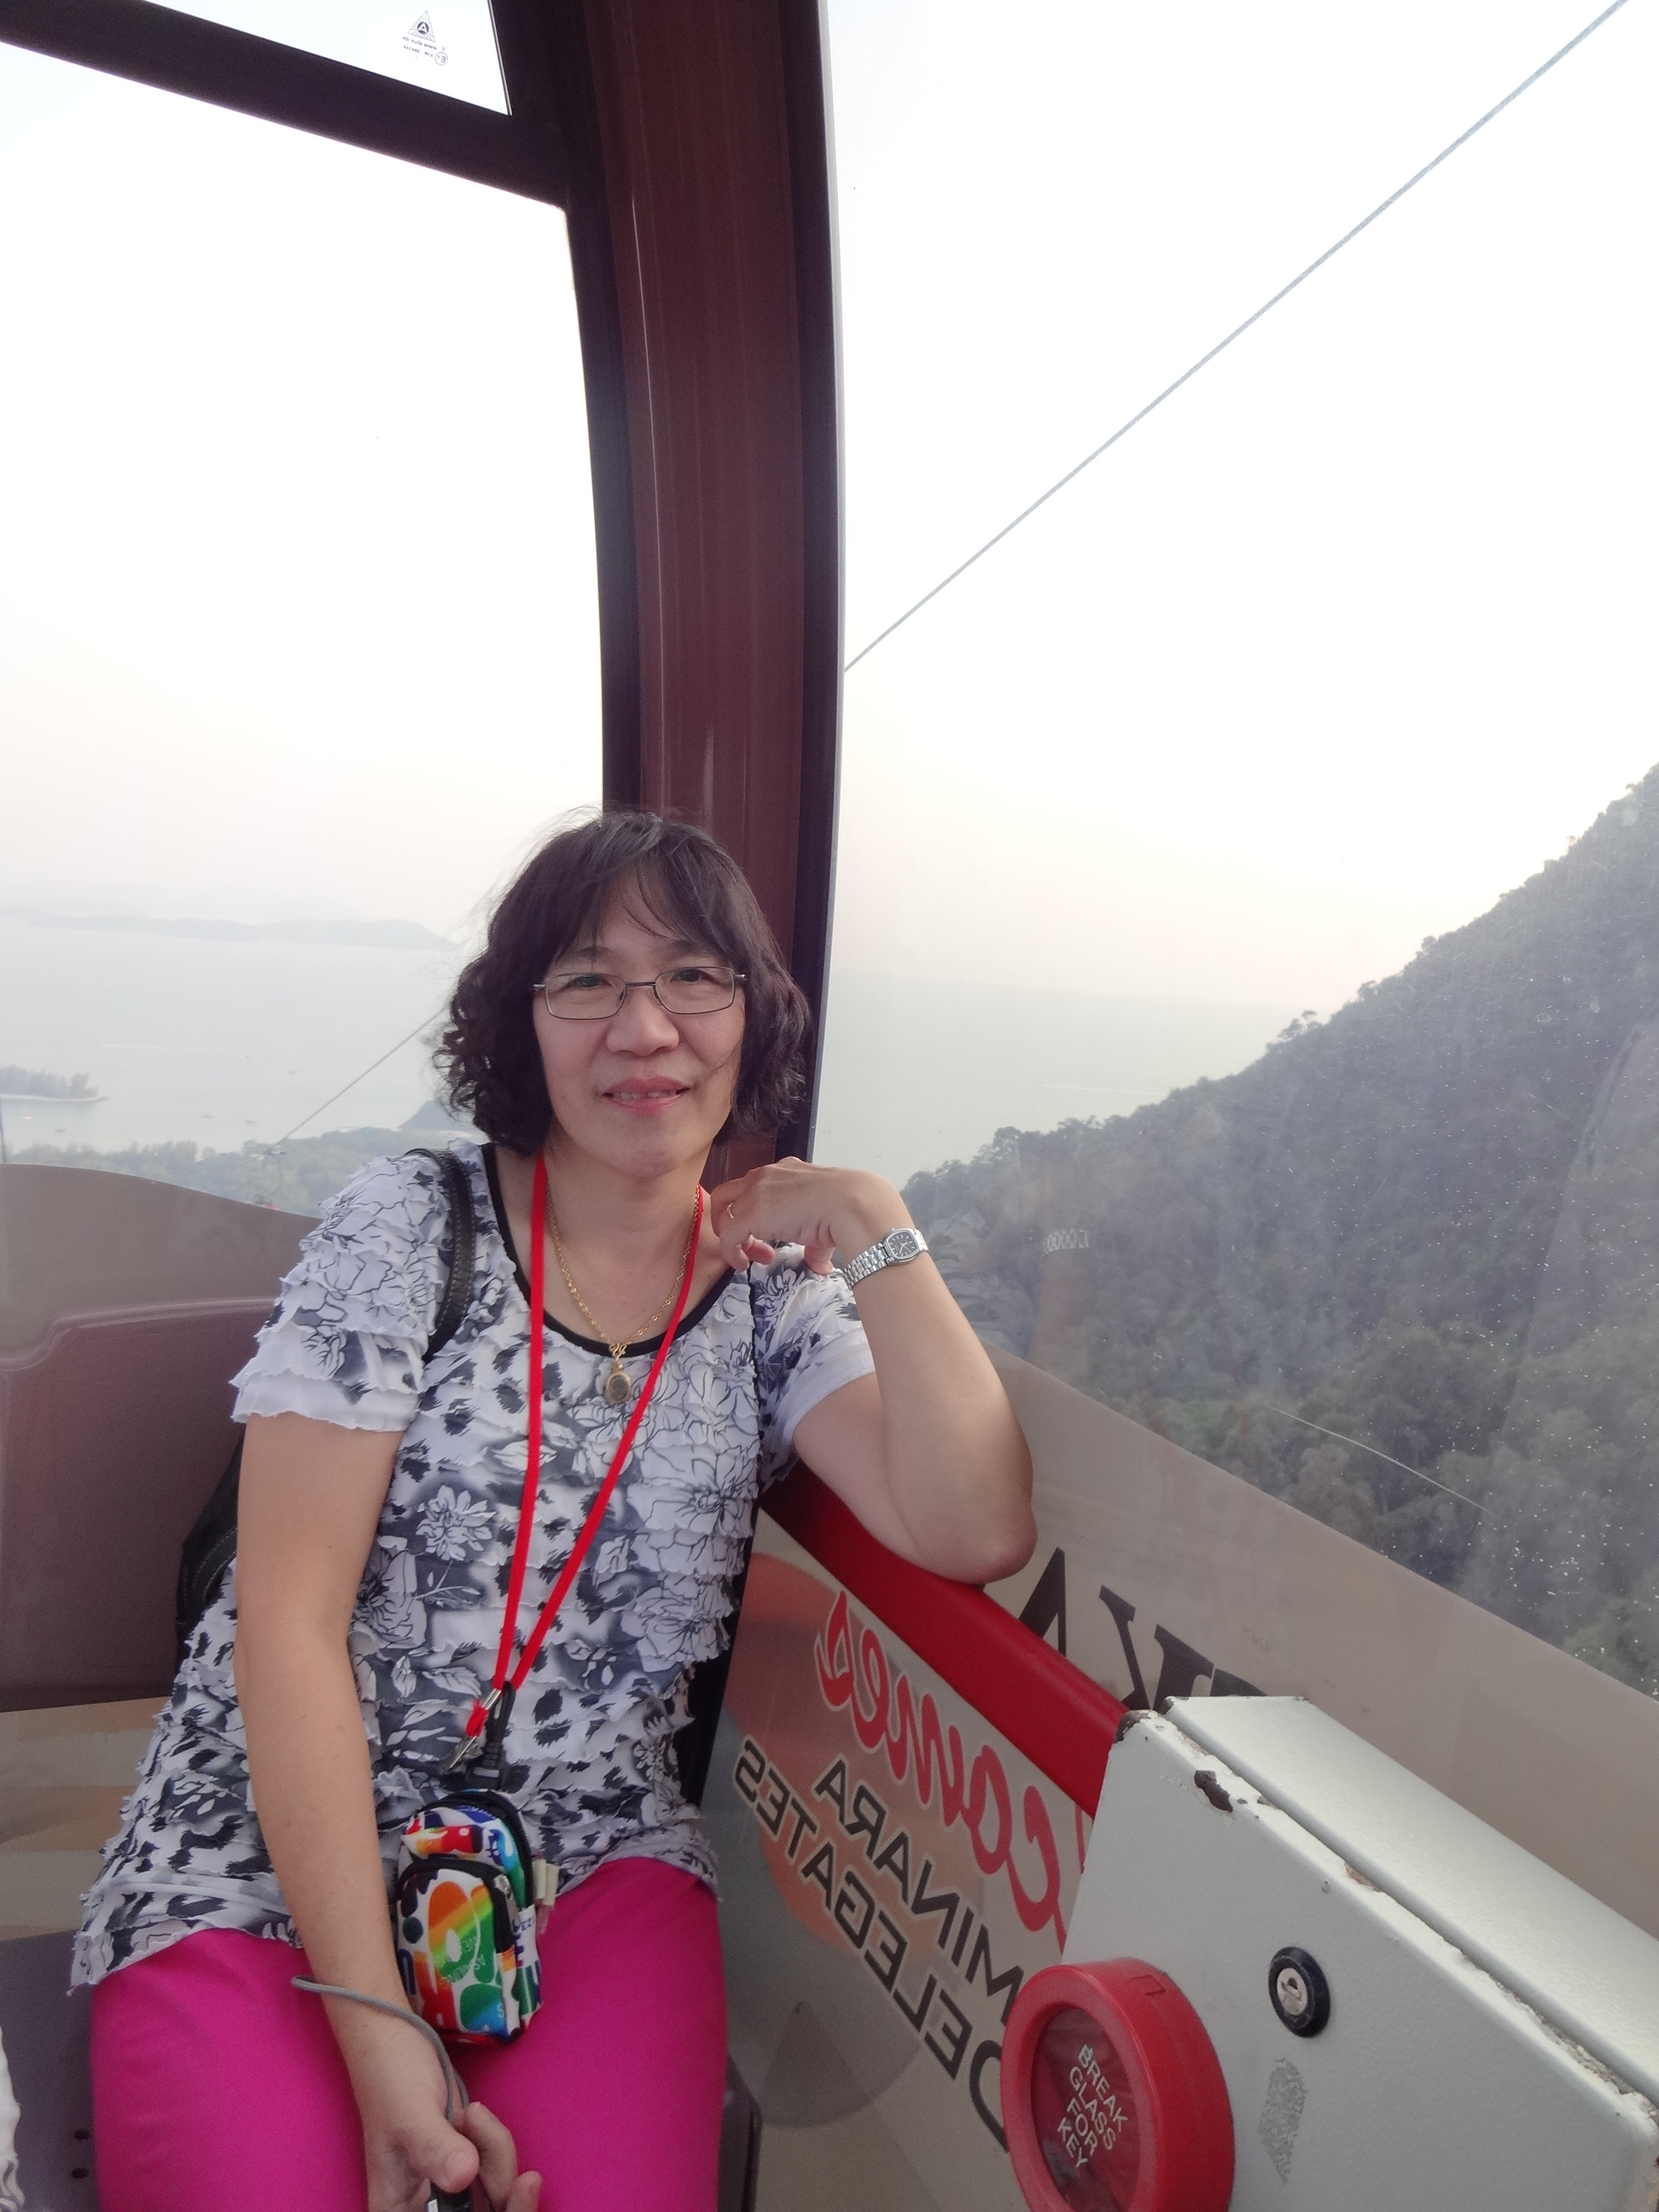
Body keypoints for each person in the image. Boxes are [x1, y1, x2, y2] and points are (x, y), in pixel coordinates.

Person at [76, 812, 1035, 2212]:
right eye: (588, 980)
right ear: (521, 1022)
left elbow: (973, 1524)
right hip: (264, 1852)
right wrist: (380, 2032)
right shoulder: (414, 1229)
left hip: (584, 1861)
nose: (645, 1028)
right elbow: (286, 1623)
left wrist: (874, 1218)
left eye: (693, 976)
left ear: (752, 1014)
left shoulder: (771, 1307)